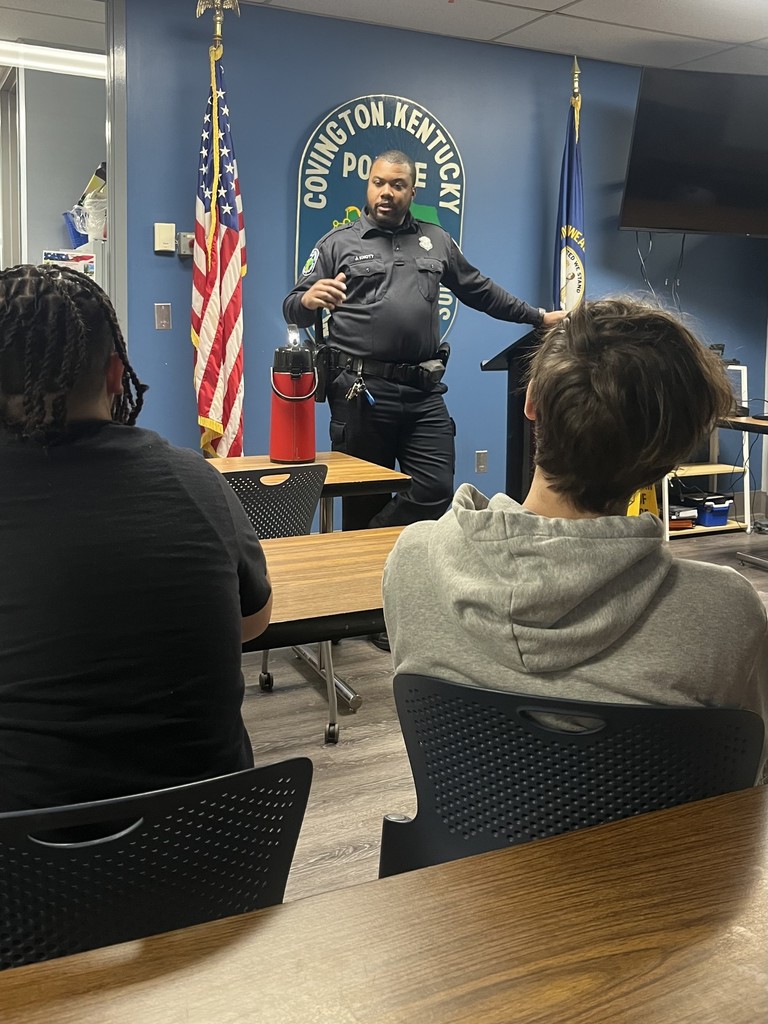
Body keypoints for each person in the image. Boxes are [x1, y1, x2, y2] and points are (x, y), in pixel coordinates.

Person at [383, 297, 768, 777]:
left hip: (466, 850)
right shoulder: (726, 612)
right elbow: (746, 776)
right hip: (653, 854)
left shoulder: (413, 561)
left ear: (531, 403)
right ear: (673, 454)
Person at [0, 265, 273, 812]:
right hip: (213, 859)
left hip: (31, 879)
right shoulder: (200, 482)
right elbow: (252, 622)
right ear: (115, 374)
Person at [283, 149, 566, 535]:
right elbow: (292, 307)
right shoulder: (337, 243)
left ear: (412, 192)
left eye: (397, 185)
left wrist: (536, 317)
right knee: (363, 496)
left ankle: (376, 539)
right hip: (361, 394)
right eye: (378, 183)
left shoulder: (437, 241)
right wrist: (307, 299)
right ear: (368, 187)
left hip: (423, 391)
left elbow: (480, 290)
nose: (386, 192)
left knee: (435, 490)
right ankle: (366, 573)